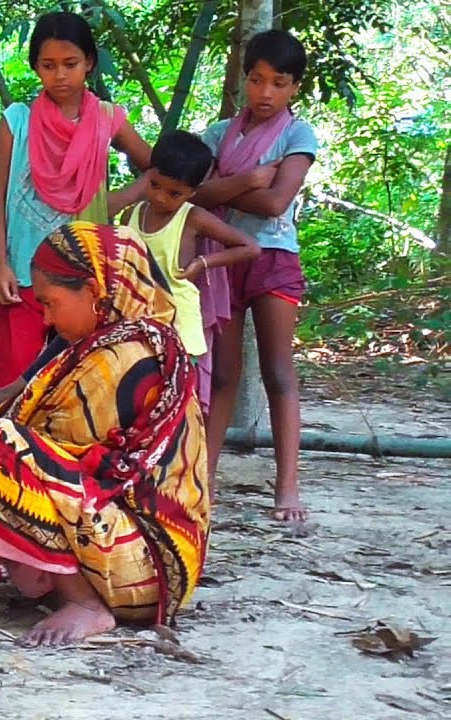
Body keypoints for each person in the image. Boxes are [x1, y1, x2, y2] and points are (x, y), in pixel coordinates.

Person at [0, 222, 210, 647]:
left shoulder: (125, 358)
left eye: (50, 303)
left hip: (147, 565)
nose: (45, 316)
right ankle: (72, 586)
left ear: (92, 289)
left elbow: (53, 461)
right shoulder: (98, 338)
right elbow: (11, 401)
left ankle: (88, 604)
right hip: (133, 545)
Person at [0, 11, 152, 388]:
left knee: (78, 381)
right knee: (11, 377)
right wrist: (0, 265)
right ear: (35, 67)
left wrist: (129, 196)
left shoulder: (107, 119)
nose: (60, 75)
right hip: (23, 272)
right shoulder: (17, 121)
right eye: (48, 65)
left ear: (89, 63)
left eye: (70, 64)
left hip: (85, 277)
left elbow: (156, 169)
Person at [191, 30, 318, 522]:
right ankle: (204, 480)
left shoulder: (297, 134)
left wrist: (220, 189)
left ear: (294, 88)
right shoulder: (217, 133)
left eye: (278, 82)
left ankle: (287, 489)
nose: (265, 92)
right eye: (257, 79)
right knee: (222, 374)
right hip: (222, 259)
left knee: (278, 372)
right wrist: (245, 179)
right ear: (244, 79)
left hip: (273, 258)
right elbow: (194, 194)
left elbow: (275, 203)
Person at [118, 130, 259, 412]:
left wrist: (203, 263)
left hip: (179, 329)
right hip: (136, 326)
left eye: (174, 193)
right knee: (137, 405)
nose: (161, 197)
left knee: (175, 407)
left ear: (192, 193)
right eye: (155, 185)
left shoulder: (192, 217)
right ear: (148, 175)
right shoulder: (130, 215)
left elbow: (250, 247)